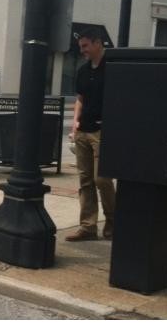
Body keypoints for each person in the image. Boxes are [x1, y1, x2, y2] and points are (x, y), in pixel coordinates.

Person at [66, 27, 116, 242]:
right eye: (80, 47)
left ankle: (113, 222)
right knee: (85, 181)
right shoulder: (83, 71)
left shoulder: (113, 68)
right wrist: (74, 123)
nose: (83, 50)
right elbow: (80, 98)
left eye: (85, 46)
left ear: (98, 43)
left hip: (102, 131)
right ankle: (88, 226)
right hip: (83, 131)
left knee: (102, 179)